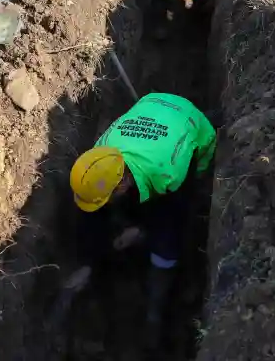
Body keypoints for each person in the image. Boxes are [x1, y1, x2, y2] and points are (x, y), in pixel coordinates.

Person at [66, 92, 216, 346]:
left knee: (169, 238)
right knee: (107, 212)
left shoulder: (169, 174)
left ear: (122, 183)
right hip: (150, 104)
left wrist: (142, 231)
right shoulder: (98, 160)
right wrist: (88, 263)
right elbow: (90, 212)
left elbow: (175, 214)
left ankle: (158, 308)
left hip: (194, 127)